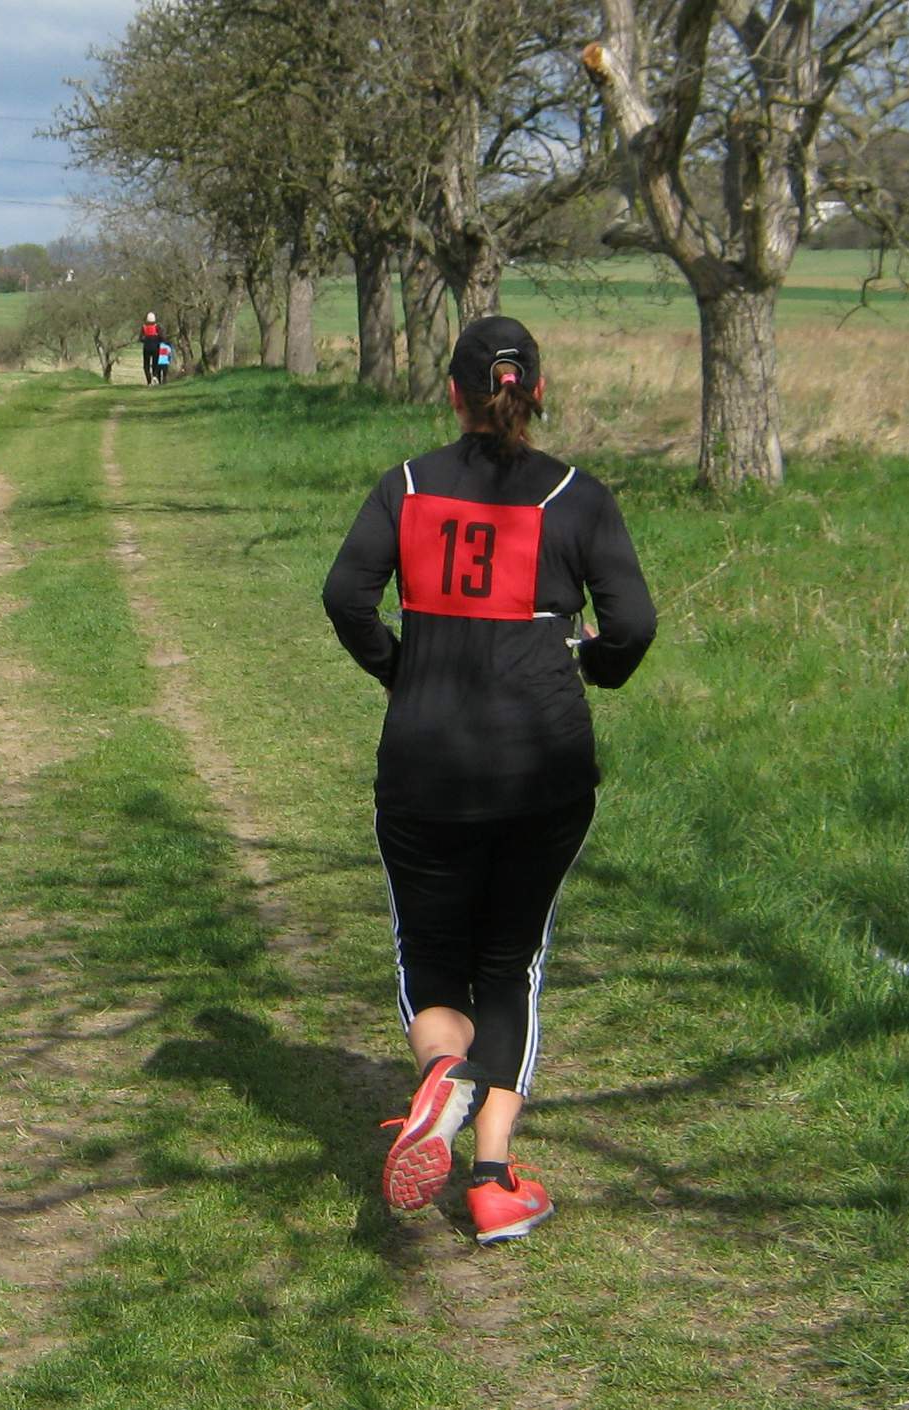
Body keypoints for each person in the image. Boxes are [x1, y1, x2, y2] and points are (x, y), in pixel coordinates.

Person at [321, 315, 655, 1244]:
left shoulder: (410, 485)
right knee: (510, 963)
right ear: (536, 393)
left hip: (423, 763)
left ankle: (443, 1075)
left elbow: (345, 595)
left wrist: (399, 666)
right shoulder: (577, 496)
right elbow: (631, 624)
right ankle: (495, 1179)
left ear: (454, 395)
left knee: (431, 954)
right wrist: (590, 665)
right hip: (541, 771)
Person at [140, 311, 162, 384]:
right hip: (156, 347)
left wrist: (145, 339)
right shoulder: (157, 327)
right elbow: (162, 337)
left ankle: (149, 381)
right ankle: (155, 376)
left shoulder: (144, 327)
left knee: (146, 364)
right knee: (155, 363)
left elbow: (140, 338)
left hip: (146, 347)